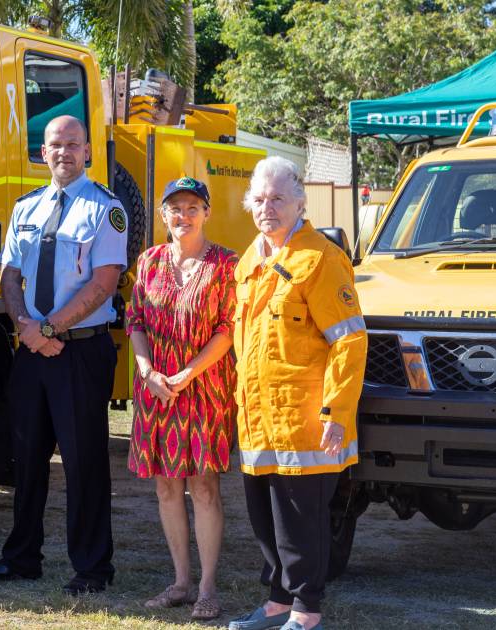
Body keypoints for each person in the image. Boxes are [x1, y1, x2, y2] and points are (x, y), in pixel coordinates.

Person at [0, 115, 127, 595]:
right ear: (43, 153)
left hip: (80, 350)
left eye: (72, 145)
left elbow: (105, 283)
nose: (63, 152)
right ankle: (22, 558)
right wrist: (25, 326)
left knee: (83, 462)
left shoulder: (106, 208)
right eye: (55, 145)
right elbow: (11, 275)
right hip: (32, 350)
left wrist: (50, 328)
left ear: (87, 153)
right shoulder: (27, 207)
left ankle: (92, 566)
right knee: (26, 458)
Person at [227, 157, 367, 630]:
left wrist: (337, 411)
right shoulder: (251, 258)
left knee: (299, 523)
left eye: (278, 199)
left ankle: (306, 612)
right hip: (257, 418)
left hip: (304, 421)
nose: (268, 208)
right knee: (265, 521)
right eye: (260, 200)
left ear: (301, 203)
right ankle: (276, 604)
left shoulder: (321, 259)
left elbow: (349, 339)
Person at [126, 177, 237, 620]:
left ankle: (208, 587)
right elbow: (135, 320)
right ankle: (180, 582)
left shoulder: (226, 264)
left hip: (204, 389)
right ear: (163, 214)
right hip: (155, 391)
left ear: (206, 213)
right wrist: (147, 370)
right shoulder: (149, 261)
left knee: (204, 486)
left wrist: (188, 373)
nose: (183, 216)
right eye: (175, 208)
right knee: (166, 486)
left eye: (193, 207)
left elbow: (228, 329)